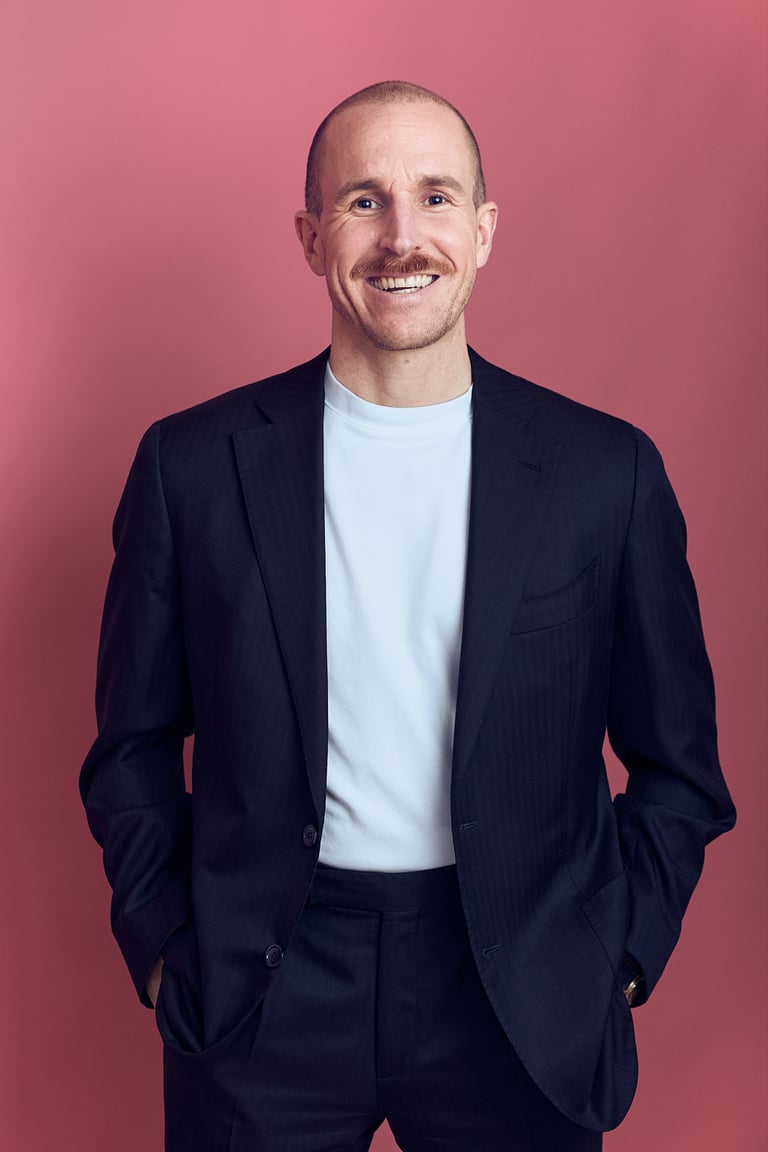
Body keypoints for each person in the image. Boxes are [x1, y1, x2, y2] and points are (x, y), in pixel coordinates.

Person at [80, 81, 735, 1152]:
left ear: (481, 232)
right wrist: (163, 949)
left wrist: (614, 956)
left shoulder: (603, 474)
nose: (401, 236)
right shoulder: (191, 468)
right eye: (362, 202)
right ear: (310, 236)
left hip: (518, 982)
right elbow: (132, 749)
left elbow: (680, 768)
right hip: (266, 981)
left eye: (435, 197)